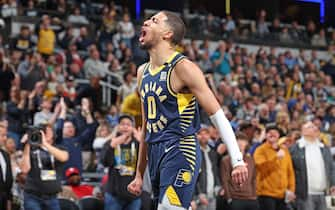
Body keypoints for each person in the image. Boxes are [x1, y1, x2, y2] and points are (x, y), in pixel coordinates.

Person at [127, 11, 247, 210]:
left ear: (167, 34)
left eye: (154, 20)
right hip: (156, 154)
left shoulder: (183, 67)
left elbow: (217, 115)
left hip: (180, 148)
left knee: (168, 208)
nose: (146, 22)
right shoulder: (142, 73)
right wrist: (139, 174)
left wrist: (237, 160)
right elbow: (147, 127)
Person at [20, 123, 69, 210]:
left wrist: (45, 144)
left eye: (48, 130)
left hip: (52, 196)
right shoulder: (31, 149)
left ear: (54, 134)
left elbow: (64, 157)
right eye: (42, 130)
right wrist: (27, 145)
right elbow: (24, 169)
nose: (45, 132)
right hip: (32, 195)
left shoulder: (59, 148)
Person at [290, 121, 335, 210]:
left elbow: (331, 168)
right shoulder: (295, 149)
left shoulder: (324, 148)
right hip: (305, 195)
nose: (315, 128)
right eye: (310, 127)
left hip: (324, 194)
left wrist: (333, 184)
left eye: (315, 127)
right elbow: (290, 170)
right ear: (303, 131)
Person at [101, 114, 142, 210]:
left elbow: (148, 160)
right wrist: (112, 147)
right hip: (113, 194)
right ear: (118, 127)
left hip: (134, 194)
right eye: (122, 124)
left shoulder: (138, 144)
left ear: (133, 128)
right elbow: (104, 162)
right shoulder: (110, 143)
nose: (125, 127)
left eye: (128, 124)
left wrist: (142, 143)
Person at [254, 125, 296, 210]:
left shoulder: (284, 151)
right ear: (265, 135)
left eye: (275, 133)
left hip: (282, 195)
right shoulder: (260, 150)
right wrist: (276, 158)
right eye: (269, 133)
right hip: (265, 194)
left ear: (279, 136)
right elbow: (261, 168)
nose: (272, 134)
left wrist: (291, 189)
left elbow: (290, 172)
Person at [221, 132, 259, 210]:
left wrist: (254, 195)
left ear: (247, 143)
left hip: (250, 197)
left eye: (243, 140)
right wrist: (229, 198)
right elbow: (225, 180)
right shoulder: (226, 160)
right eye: (238, 140)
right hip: (235, 197)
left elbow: (253, 178)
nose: (241, 143)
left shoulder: (250, 159)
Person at [0, 124, 13, 210]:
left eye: (6, 135)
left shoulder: (5, 155)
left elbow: (8, 180)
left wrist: (8, 201)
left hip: (4, 201)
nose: (5, 138)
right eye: (2, 135)